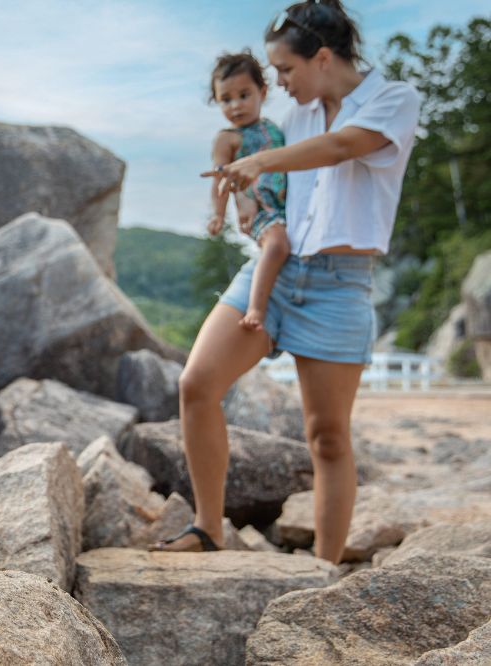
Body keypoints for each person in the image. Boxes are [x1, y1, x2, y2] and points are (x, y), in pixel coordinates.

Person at [150, 0, 420, 563]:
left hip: (340, 283)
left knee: (327, 437)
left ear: (323, 58)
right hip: (276, 268)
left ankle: (323, 570)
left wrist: (264, 162)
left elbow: (343, 146)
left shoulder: (394, 99)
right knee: (197, 384)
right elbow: (244, 150)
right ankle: (207, 527)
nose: (279, 83)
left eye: (286, 70)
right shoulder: (290, 114)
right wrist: (242, 195)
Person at [207, 51, 290, 332]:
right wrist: (218, 215)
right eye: (226, 99)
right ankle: (256, 306)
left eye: (244, 95)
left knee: (282, 246)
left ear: (262, 92)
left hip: (286, 205)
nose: (236, 106)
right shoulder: (228, 139)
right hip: (259, 207)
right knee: (277, 245)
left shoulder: (274, 129)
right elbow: (219, 180)